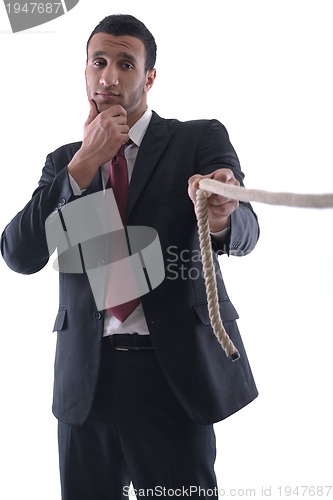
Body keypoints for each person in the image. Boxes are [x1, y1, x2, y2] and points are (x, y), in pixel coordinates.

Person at [1, 14, 260, 500]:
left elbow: (246, 231)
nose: (110, 76)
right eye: (99, 62)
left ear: (149, 77)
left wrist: (224, 212)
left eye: (125, 63)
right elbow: (19, 253)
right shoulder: (64, 162)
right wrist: (83, 166)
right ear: (85, 72)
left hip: (171, 380)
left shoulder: (197, 139)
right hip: (86, 384)